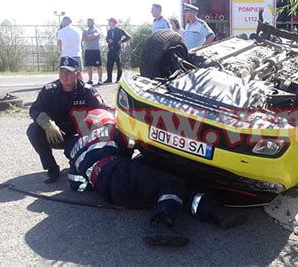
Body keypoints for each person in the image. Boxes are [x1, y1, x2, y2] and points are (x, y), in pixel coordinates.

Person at [66, 108, 248, 247]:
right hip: (117, 171)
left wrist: (94, 183)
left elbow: (75, 183)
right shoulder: (112, 128)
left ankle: (215, 212)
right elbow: (135, 145)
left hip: (107, 189)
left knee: (166, 192)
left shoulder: (76, 143)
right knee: (171, 182)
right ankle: (161, 225)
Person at [27, 57, 106, 184]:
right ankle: (52, 168)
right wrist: (47, 124)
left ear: (78, 74)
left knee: (79, 165)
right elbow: (35, 110)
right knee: (33, 130)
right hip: (55, 134)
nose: (64, 75)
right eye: (62, 71)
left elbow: (103, 111)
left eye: (68, 72)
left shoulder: (87, 91)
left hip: (79, 137)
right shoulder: (49, 90)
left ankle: (80, 164)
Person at [104, 18, 131, 83]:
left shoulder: (120, 30)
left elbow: (129, 37)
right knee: (109, 64)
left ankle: (118, 79)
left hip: (117, 49)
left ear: (114, 23)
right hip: (111, 49)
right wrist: (108, 41)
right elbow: (107, 39)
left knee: (119, 64)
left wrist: (122, 41)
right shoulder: (109, 31)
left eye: (110, 22)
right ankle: (109, 79)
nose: (109, 23)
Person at [82, 18, 103, 85]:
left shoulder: (96, 29)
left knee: (98, 66)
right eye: (87, 22)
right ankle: (90, 80)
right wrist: (90, 37)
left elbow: (95, 35)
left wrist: (88, 37)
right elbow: (83, 38)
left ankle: (100, 80)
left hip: (95, 50)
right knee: (89, 66)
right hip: (88, 50)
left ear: (93, 22)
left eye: (89, 22)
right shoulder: (85, 30)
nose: (88, 23)